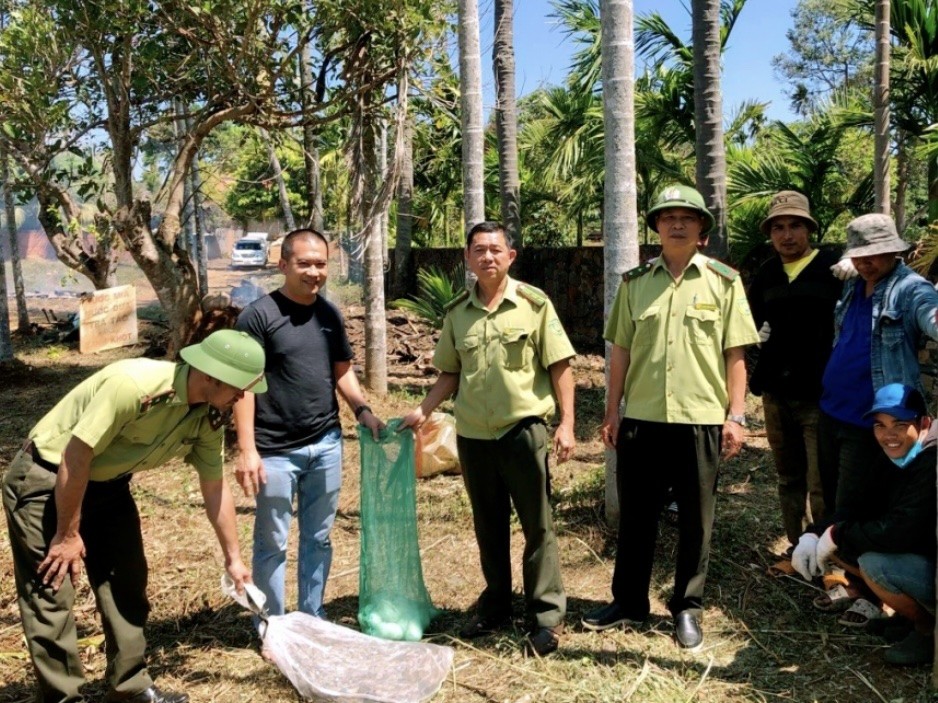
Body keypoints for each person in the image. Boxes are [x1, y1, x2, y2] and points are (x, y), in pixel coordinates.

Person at [3, 329, 266, 703]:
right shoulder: (133, 385)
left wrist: (234, 559)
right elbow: (74, 458)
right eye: (239, 387)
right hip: (47, 479)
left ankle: (130, 687)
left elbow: (214, 487)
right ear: (210, 376)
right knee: (52, 592)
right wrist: (67, 534)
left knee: (126, 581)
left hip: (107, 485)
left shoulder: (206, 417)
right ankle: (64, 698)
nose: (243, 397)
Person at [582, 184, 760, 651]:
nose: (677, 223)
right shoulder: (635, 283)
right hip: (642, 417)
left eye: (688, 216)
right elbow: (620, 349)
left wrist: (735, 416)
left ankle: (686, 607)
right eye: (667, 217)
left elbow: (735, 353)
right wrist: (612, 411)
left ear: (702, 228)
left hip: (700, 419)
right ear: (656, 227)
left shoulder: (723, 282)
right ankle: (629, 602)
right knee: (637, 515)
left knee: (697, 520)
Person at [400, 221, 576, 657]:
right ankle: (496, 603)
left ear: (510, 256)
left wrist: (567, 423)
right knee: (488, 525)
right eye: (479, 250)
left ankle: (546, 617)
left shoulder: (534, 305)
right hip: (475, 436)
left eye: (496, 250)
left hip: (524, 432)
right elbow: (450, 371)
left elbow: (560, 366)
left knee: (538, 526)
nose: (488, 257)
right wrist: (422, 411)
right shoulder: (458, 312)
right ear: (467, 258)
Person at [234, 228, 383, 622]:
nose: (313, 272)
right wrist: (247, 448)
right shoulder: (258, 317)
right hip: (275, 451)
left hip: (326, 444)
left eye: (320, 264)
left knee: (318, 538)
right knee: (273, 544)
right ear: (283, 264)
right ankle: (271, 624)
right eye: (304, 263)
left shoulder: (329, 314)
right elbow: (242, 386)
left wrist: (362, 409)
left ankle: (312, 617)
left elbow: (342, 371)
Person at [813, 214, 938, 609]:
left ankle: (863, 590)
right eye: (861, 255)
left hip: (871, 420)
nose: (868, 262)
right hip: (833, 408)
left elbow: (929, 313)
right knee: (829, 493)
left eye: (877, 254)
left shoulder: (909, 288)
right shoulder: (854, 286)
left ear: (895, 251)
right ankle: (838, 573)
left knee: (854, 505)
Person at [792, 383, 936, 666]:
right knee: (842, 543)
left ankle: (928, 631)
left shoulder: (932, 463)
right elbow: (859, 506)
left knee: (874, 564)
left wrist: (838, 533)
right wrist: (815, 534)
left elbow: (900, 532)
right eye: (880, 426)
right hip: (922, 551)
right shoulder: (895, 453)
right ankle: (911, 619)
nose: (888, 435)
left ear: (924, 423)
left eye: (900, 424)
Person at [746, 191, 843, 574]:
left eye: (795, 225)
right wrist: (758, 338)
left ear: (809, 229)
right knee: (788, 477)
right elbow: (748, 323)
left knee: (821, 481)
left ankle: (827, 559)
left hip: (819, 394)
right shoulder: (767, 274)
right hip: (776, 394)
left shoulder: (834, 269)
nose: (787, 235)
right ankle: (794, 550)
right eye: (778, 228)